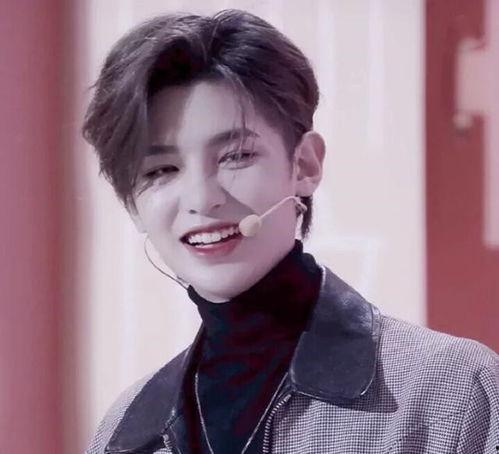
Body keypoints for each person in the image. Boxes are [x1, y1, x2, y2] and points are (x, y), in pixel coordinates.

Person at [82, 9, 498, 454]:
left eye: (235, 156)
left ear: (304, 165)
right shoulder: (123, 433)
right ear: (133, 204)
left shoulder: (449, 392)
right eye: (161, 170)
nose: (201, 199)